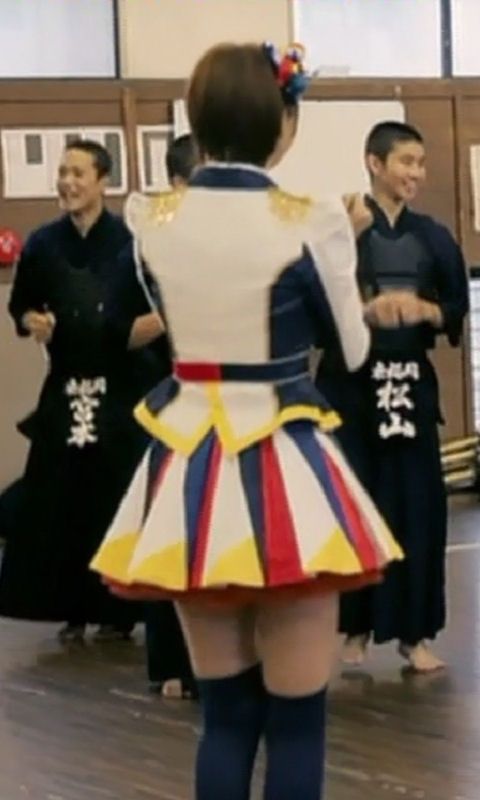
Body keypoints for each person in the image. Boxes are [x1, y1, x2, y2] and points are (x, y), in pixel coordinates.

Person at [90, 43, 402, 800]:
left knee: (225, 718)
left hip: (189, 473)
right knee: (298, 720)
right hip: (285, 465)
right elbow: (353, 351)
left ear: (197, 119)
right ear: (281, 123)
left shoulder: (152, 218)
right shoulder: (312, 219)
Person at [316, 121, 469, 672]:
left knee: (418, 508)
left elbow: (455, 305)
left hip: (409, 386)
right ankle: (353, 628)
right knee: (355, 504)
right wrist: (363, 311)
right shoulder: (340, 228)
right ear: (374, 163)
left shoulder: (432, 236)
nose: (416, 174)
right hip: (352, 388)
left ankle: (415, 634)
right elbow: (315, 304)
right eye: (406, 161)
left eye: (421, 163)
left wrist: (427, 311)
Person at [0, 140, 154, 643]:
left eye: (78, 173)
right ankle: (68, 604)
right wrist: (32, 320)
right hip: (66, 385)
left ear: (103, 181)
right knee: (59, 500)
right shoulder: (43, 243)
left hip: (121, 388)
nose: (67, 182)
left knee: (117, 495)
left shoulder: (130, 242)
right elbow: (22, 305)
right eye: (62, 173)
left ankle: (120, 608)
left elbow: (153, 309)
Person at [106, 134, 199, 698]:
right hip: (162, 400)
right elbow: (114, 328)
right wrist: (165, 318)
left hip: (224, 407)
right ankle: (170, 661)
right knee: (170, 532)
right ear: (181, 183)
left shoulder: (234, 243)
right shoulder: (142, 250)